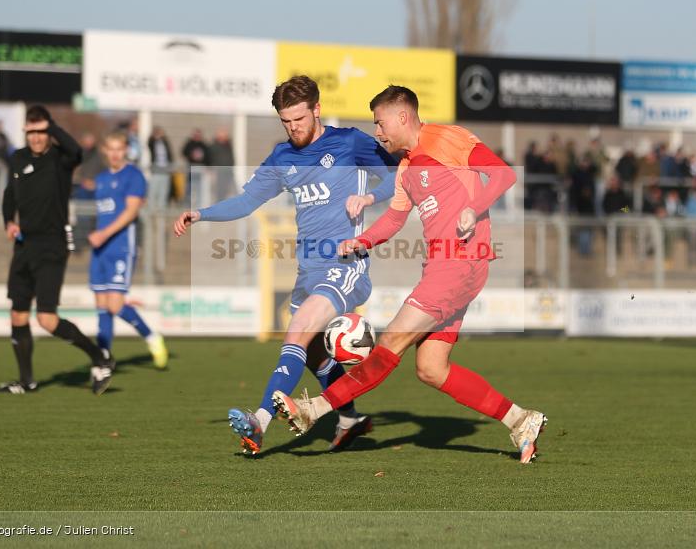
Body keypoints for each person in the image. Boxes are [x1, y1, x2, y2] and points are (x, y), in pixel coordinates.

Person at [272, 85, 547, 464]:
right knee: (431, 369)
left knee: (390, 345)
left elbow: (502, 175)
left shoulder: (446, 138)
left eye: (380, 123)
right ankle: (520, 419)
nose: (378, 132)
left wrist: (474, 208)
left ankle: (314, 410)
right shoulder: (405, 167)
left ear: (402, 117)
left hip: (458, 264)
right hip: (445, 268)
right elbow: (395, 218)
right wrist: (362, 242)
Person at [174, 75, 397, 455]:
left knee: (297, 329)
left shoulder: (348, 143)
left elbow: (398, 176)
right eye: (285, 121)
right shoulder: (282, 157)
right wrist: (202, 213)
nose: (293, 128)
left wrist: (370, 196)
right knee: (313, 353)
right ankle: (349, 419)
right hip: (308, 271)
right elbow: (246, 202)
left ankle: (259, 422)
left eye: (299, 119)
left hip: (345, 264)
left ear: (316, 109)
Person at [0, 105, 114, 395]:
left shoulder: (60, 159)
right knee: (17, 315)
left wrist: (53, 127)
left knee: (46, 319)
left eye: (42, 131)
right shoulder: (18, 158)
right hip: (24, 245)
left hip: (52, 245)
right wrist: (8, 221)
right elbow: (9, 195)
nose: (36, 137)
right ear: (25, 131)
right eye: (32, 131)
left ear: (48, 131)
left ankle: (100, 357)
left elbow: (76, 150)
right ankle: (27, 381)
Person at [90, 132, 167, 370]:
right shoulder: (101, 178)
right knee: (102, 304)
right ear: (104, 150)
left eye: (119, 149)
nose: (115, 154)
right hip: (100, 248)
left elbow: (131, 212)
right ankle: (104, 358)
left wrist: (104, 234)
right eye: (110, 149)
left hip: (121, 245)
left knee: (115, 304)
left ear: (126, 150)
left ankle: (152, 337)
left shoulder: (133, 175)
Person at [147, 126, 173, 209]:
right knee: (153, 191)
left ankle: (162, 210)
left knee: (164, 192)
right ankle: (151, 209)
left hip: (165, 170)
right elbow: (150, 142)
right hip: (156, 170)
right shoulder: (153, 142)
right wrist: (155, 136)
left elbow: (170, 154)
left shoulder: (165, 142)